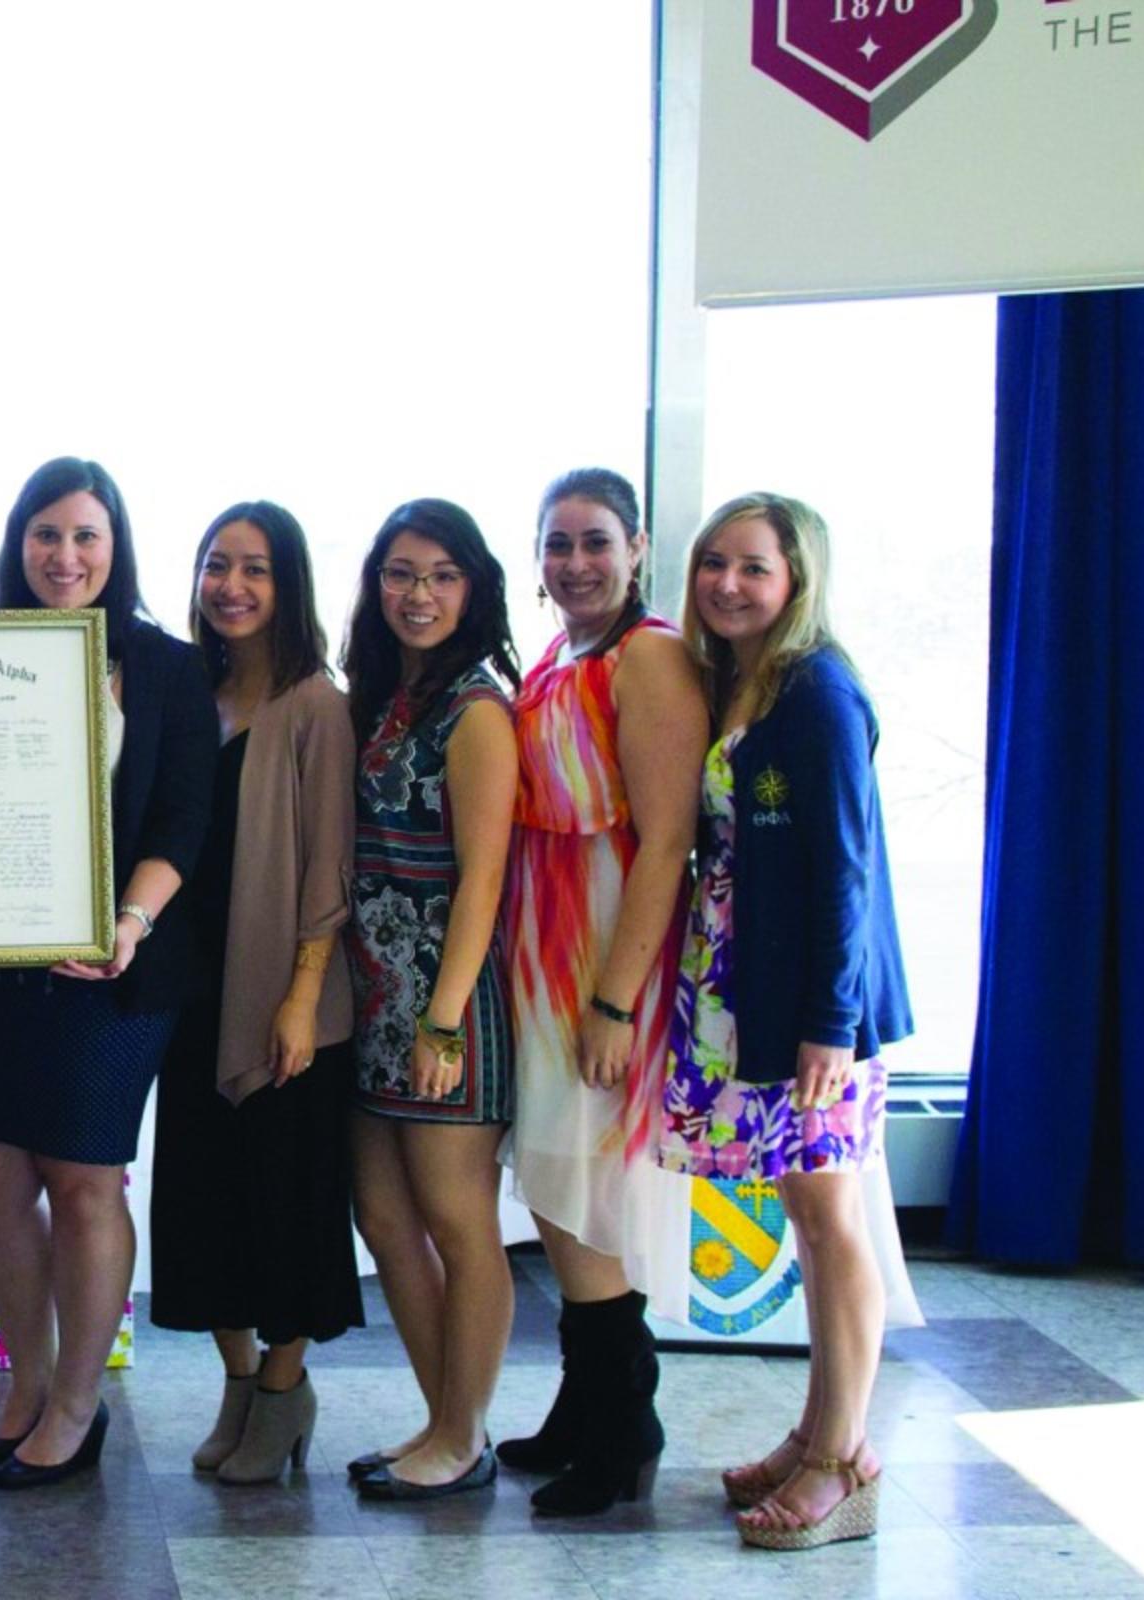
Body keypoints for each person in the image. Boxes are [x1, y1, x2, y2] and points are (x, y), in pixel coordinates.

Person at [0, 457, 218, 1489]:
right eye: (47, 534)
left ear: (118, 547)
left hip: (117, 969)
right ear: (19, 542)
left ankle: (75, 1402)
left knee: (87, 1179)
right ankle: (27, 1379)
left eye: (87, 537)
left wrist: (129, 918)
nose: (66, 556)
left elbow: (184, 815)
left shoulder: (165, 667)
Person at [658, 494, 918, 1551]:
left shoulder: (819, 692)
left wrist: (829, 1024)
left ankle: (842, 1459)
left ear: (796, 579)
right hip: (751, 987)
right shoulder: (741, 680)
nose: (727, 582)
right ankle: (818, 1425)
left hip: (820, 1006)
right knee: (808, 1219)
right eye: (714, 562)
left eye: (753, 568)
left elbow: (846, 871)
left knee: (828, 1218)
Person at [494, 469, 706, 1516]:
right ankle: (590, 1405)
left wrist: (618, 1000)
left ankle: (622, 1428)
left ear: (637, 546)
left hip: (602, 955)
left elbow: (666, 838)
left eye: (594, 541)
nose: (574, 562)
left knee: (585, 1185)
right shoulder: (556, 655)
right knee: (555, 1183)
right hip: (544, 948)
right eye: (556, 543)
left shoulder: (650, 656)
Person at [150, 501, 363, 1484]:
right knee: (203, 1204)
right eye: (215, 564)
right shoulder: (187, 689)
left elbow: (330, 866)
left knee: (285, 1205)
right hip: (191, 991)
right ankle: (240, 1381)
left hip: (284, 998)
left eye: (256, 568)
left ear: (290, 586)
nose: (231, 585)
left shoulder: (316, 702)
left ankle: (284, 1388)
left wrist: (299, 999)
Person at [339, 497, 521, 1502]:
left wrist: (442, 1016)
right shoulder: (386, 694)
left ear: (474, 588)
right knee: (381, 1213)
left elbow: (484, 879)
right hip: (373, 991)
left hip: (448, 1004)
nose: (419, 594)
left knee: (457, 1218)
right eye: (402, 573)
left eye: (443, 576)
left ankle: (462, 1434)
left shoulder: (478, 708)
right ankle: (445, 1419)